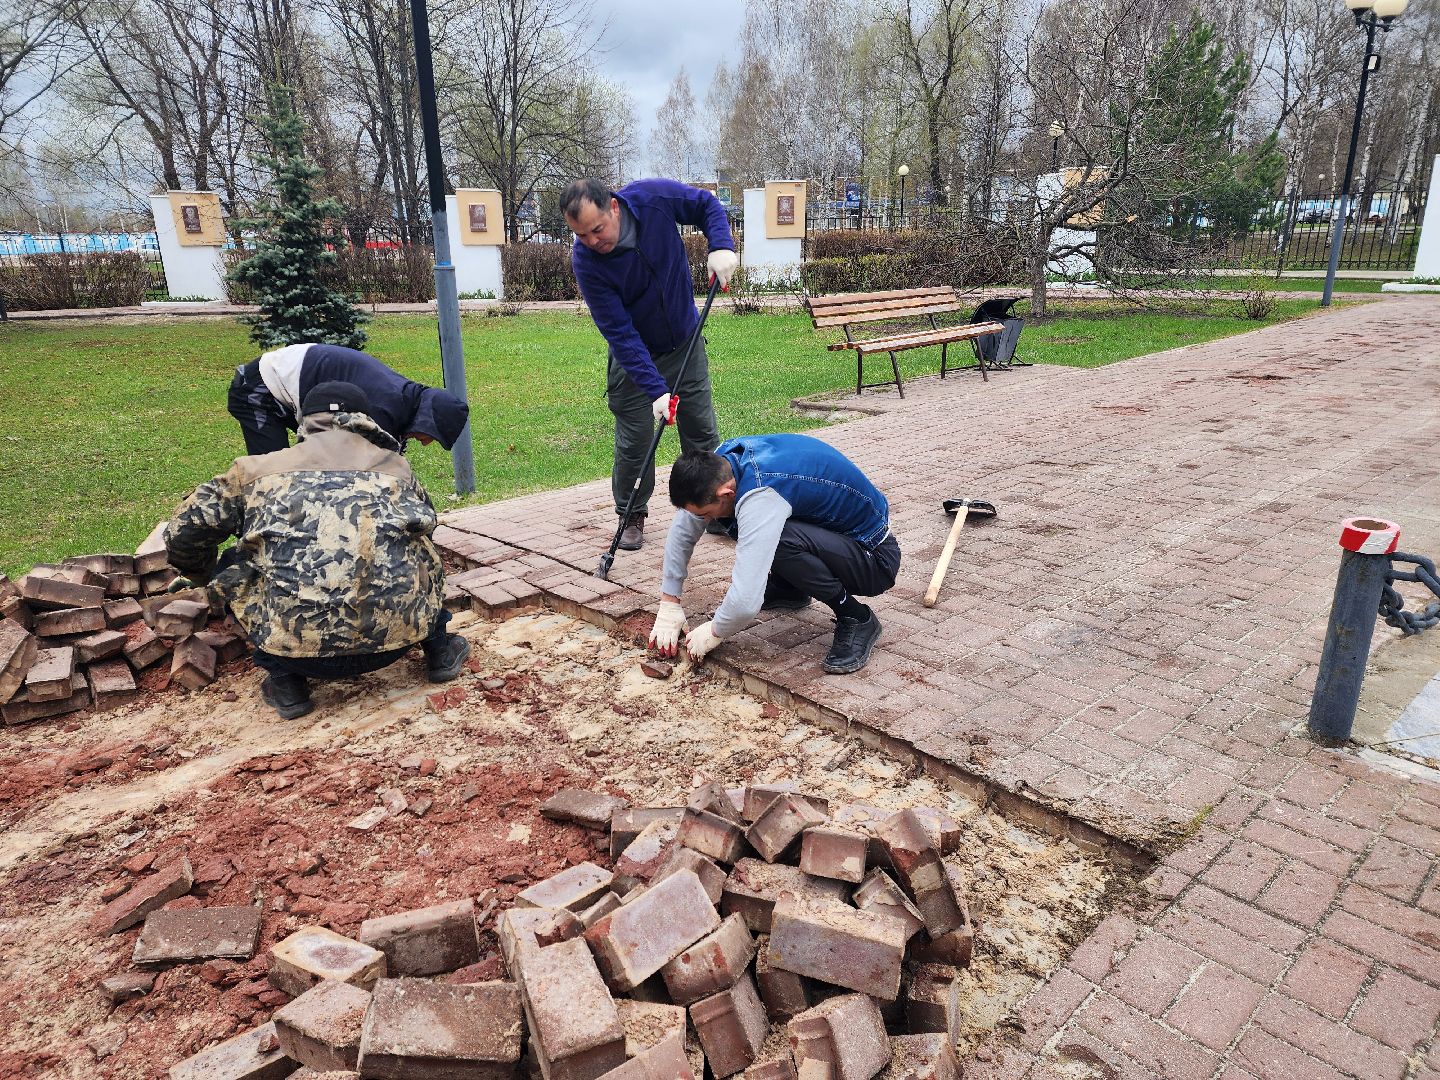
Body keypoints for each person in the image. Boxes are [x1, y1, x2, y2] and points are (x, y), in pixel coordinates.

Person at [165, 381, 470, 719]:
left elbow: (183, 532)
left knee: (233, 563)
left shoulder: (251, 472)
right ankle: (439, 649)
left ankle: (286, 681)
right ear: (365, 420)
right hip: (396, 644)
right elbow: (429, 521)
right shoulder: (396, 469)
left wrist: (201, 571)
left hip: (295, 652)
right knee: (421, 549)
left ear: (303, 420)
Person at [562, 177, 739, 551]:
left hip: (684, 342)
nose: (593, 241)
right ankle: (630, 514)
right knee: (635, 442)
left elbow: (707, 205)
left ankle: (715, 508)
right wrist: (655, 389)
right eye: (581, 235)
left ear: (613, 207)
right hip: (634, 358)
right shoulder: (587, 263)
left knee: (702, 434)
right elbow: (620, 333)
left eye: (597, 229)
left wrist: (721, 245)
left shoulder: (652, 198)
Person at [647, 434, 901, 675]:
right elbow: (684, 529)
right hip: (836, 538)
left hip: (874, 559)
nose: (706, 520)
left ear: (726, 494)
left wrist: (715, 631)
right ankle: (789, 588)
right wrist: (669, 600)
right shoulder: (721, 463)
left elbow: (746, 601)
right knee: (765, 528)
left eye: (706, 514)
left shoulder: (760, 495)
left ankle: (857, 617)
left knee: (775, 537)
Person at [227, 342, 470, 456]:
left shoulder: (404, 401)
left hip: (297, 392)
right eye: (433, 436)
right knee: (273, 475)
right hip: (260, 387)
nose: (427, 443)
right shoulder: (382, 408)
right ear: (427, 420)